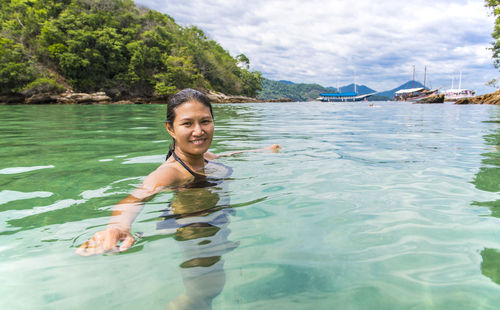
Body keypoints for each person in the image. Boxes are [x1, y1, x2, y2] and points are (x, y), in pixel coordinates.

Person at [76, 88, 280, 256]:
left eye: (205, 121)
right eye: (187, 123)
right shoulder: (171, 172)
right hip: (194, 230)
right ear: (170, 129)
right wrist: (117, 227)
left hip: (211, 222)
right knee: (202, 295)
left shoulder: (206, 157)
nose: (199, 131)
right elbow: (136, 197)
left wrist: (263, 150)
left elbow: (227, 154)